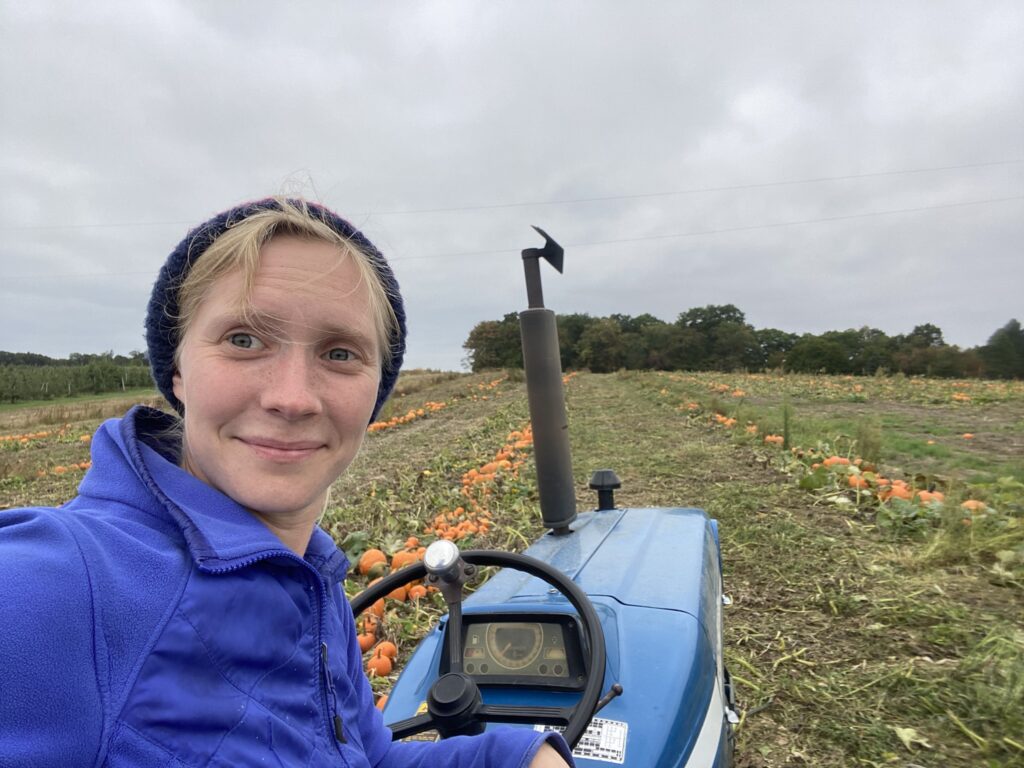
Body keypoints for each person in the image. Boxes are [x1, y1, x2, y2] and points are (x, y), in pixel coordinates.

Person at [0, 198, 573, 767]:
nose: (292, 397)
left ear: (375, 391)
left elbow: (364, 759)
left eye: (340, 352)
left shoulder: (309, 577)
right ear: (178, 369)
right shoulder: (64, 584)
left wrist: (518, 756)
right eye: (244, 340)